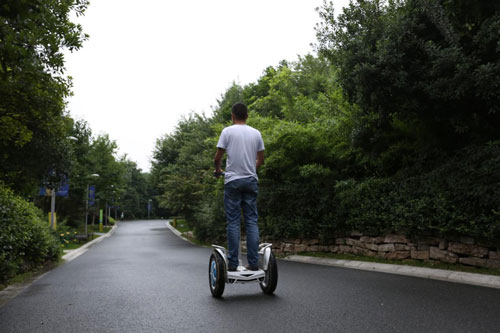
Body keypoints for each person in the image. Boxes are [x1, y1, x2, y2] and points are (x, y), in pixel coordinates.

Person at [214, 102, 265, 271]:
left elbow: (217, 158)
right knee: (251, 221)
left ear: (232, 116)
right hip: (251, 180)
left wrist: (218, 170)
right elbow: (261, 160)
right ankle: (253, 263)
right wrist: (251, 169)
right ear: (247, 116)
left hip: (232, 181)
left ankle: (233, 264)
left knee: (234, 222)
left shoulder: (227, 132)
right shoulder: (256, 133)